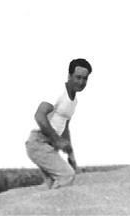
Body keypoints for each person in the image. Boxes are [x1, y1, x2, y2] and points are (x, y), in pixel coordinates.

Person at [25, 58, 92, 189]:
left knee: (51, 182)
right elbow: (39, 116)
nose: (81, 82)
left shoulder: (74, 101)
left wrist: (71, 154)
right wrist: (56, 139)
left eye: (85, 79)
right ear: (69, 75)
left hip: (50, 144)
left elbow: (65, 127)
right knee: (67, 175)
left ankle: (42, 208)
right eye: (78, 77)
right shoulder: (57, 91)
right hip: (39, 141)